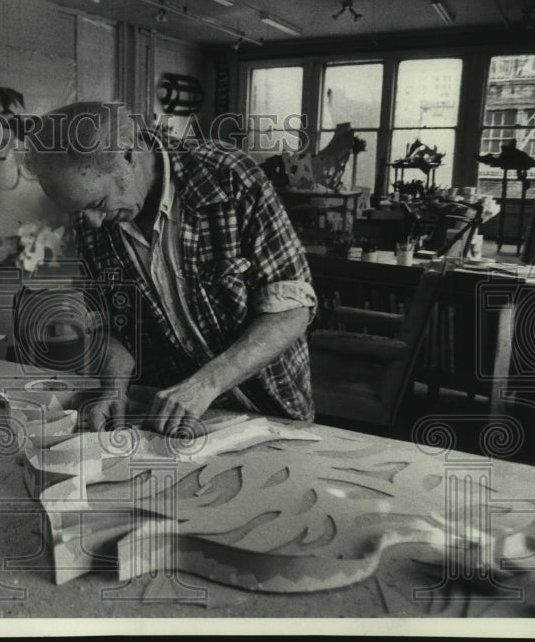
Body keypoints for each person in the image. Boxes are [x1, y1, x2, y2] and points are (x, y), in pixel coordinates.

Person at [20, 102, 317, 435]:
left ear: (128, 157)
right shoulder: (91, 221)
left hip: (269, 408)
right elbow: (107, 325)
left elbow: (291, 308)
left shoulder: (227, 175)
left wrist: (206, 384)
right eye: (78, 211)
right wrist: (114, 388)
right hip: (168, 416)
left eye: (98, 204)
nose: (90, 222)